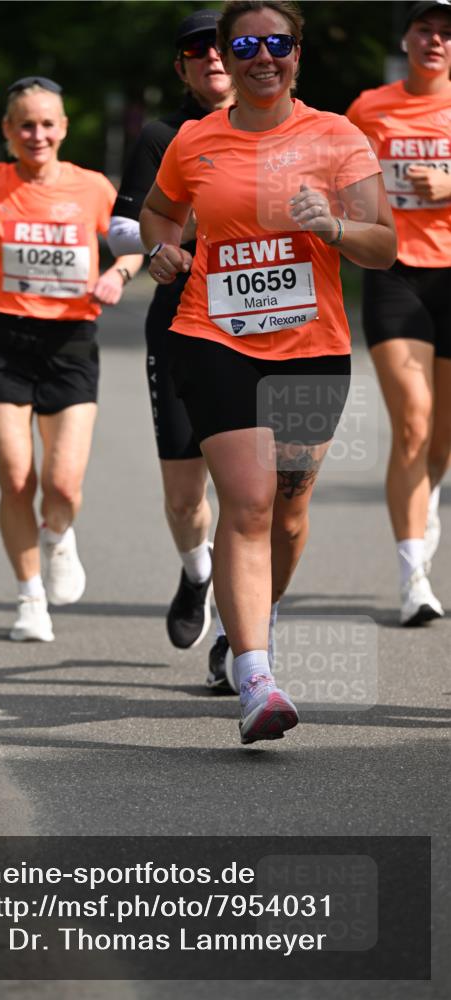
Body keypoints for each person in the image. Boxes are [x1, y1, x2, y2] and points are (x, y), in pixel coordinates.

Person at [140, 0, 397, 744]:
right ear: (226, 53)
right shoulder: (194, 141)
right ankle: (256, 678)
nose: (262, 56)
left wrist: (333, 226)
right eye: (245, 43)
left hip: (312, 346)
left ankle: (250, 620)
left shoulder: (336, 137)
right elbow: (161, 212)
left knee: (286, 510)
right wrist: (164, 252)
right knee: (247, 503)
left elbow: (381, 247)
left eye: (276, 43)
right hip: (212, 337)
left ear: (296, 55)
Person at [0, 76, 142, 641]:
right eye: (25, 125)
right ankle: (30, 597)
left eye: (47, 123)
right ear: (9, 132)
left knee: (62, 486)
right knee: (17, 479)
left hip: (71, 344)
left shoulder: (90, 186)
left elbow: (134, 244)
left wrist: (117, 271)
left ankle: (58, 535)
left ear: (63, 129)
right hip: (7, 342)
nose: (37, 133)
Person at [108, 9, 234, 665]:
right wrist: (165, 240)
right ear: (180, 67)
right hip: (183, 325)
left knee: (249, 495)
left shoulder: (290, 128)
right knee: (188, 498)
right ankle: (196, 574)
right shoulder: (163, 135)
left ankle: (236, 640)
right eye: (196, 51)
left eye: (224, 46)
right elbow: (120, 228)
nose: (212, 58)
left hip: (265, 329)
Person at [346, 0, 451, 627]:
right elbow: (346, 176)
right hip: (395, 274)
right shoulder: (370, 107)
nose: (435, 40)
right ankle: (414, 575)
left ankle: (426, 498)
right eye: (425, 29)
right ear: (407, 39)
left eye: (447, 33)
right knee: (411, 423)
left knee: (442, 437)